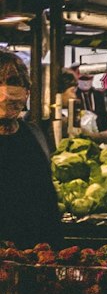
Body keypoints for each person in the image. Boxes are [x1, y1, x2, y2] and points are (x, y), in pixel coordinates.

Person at [0, 50, 60, 247]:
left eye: (16, 82)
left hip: (34, 255)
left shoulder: (33, 134)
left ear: (26, 91)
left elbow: (47, 198)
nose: (8, 92)